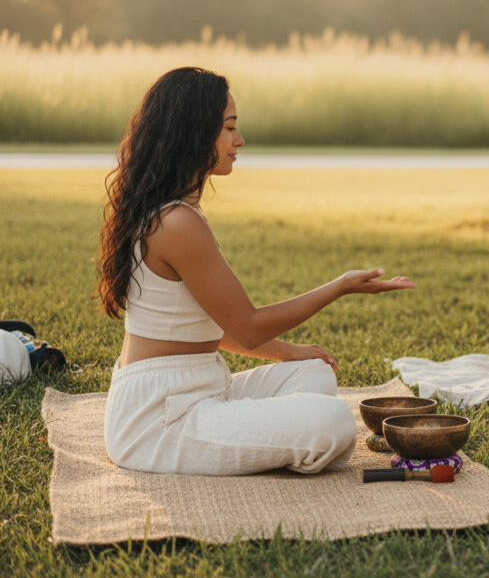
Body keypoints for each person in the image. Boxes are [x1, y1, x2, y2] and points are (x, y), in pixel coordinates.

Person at [99, 67, 414, 476]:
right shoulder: (177, 223)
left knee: (312, 371)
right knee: (333, 423)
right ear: (195, 132)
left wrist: (290, 352)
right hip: (158, 420)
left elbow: (213, 327)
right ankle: (272, 442)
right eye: (229, 128)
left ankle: (260, 439)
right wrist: (339, 288)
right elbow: (247, 328)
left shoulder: (176, 211)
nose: (239, 140)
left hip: (202, 389)